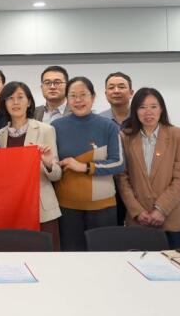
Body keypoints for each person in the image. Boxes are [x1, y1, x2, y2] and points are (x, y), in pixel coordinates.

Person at [52, 76, 124, 251]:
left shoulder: (109, 126)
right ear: (67, 99)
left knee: (103, 256)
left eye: (83, 95)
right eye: (73, 96)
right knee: (71, 258)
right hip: (67, 208)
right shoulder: (56, 126)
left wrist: (84, 167)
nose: (78, 100)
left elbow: (119, 163)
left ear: (93, 97)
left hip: (102, 208)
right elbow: (53, 164)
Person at [118, 87, 180, 249]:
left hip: (172, 219)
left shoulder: (178, 135)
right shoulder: (125, 137)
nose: (148, 112)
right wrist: (137, 211)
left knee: (179, 264)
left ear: (161, 109)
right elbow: (122, 179)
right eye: (142, 107)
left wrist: (161, 209)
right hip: (139, 220)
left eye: (153, 106)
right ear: (135, 111)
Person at [0, 81, 63, 250]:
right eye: (10, 98)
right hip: (13, 207)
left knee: (46, 259)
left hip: (41, 208)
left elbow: (57, 175)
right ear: (4, 103)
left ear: (29, 102)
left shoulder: (45, 130)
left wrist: (48, 163)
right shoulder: (0, 135)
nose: (16, 102)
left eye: (20, 97)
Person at [98, 71, 134, 225]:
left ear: (131, 92)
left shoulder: (142, 118)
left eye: (121, 87)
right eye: (111, 87)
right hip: (109, 183)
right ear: (106, 93)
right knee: (113, 229)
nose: (116, 91)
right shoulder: (99, 120)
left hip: (137, 183)